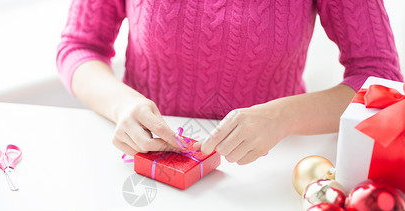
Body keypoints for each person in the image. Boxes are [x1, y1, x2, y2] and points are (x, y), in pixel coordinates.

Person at [57, 0, 402, 165]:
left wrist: (284, 117)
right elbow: (79, 46)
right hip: (143, 161)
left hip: (271, 167)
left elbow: (381, 79)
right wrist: (122, 105)